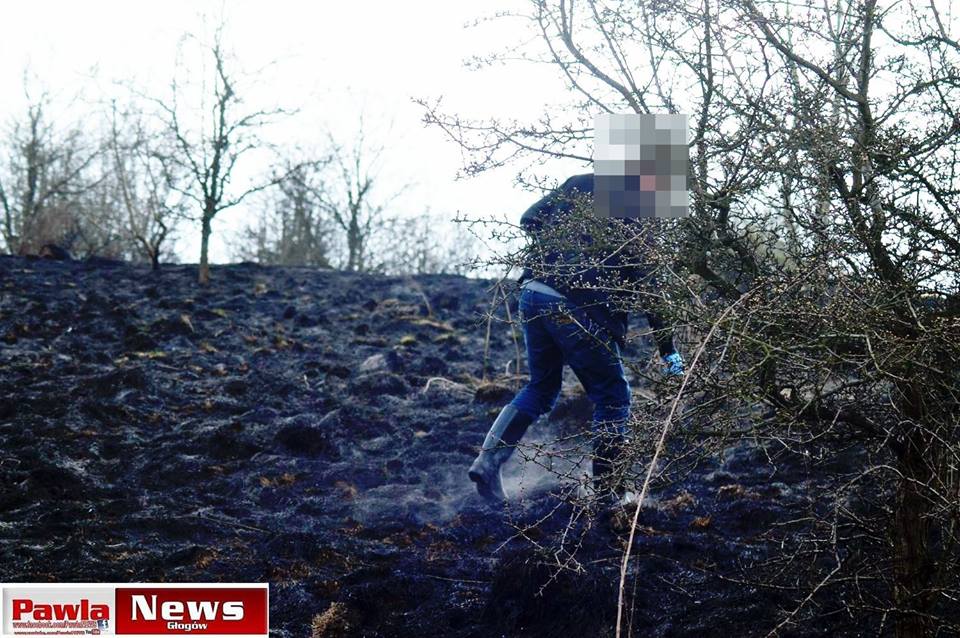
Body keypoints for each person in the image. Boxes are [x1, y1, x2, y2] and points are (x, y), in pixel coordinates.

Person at [467, 173, 684, 504]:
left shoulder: (580, 183)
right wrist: (669, 352)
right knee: (613, 397)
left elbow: (530, 217)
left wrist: (562, 248)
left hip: (534, 291)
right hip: (578, 308)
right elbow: (654, 298)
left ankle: (487, 462)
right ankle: (609, 494)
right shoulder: (642, 220)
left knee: (541, 387)